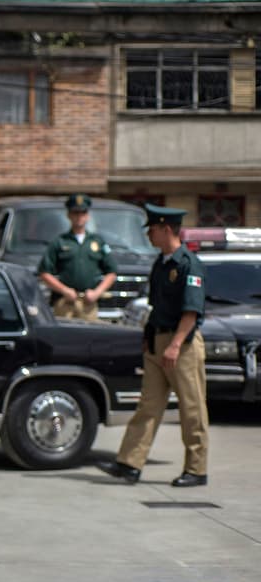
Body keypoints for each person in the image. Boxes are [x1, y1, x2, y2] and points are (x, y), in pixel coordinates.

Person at [97, 204, 209, 488]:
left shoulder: (188, 264)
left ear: (167, 229)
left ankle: (196, 469)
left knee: (191, 407)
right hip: (159, 341)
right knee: (148, 405)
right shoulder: (161, 263)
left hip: (181, 343)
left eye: (153, 229)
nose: (149, 234)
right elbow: (155, 306)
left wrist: (173, 346)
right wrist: (150, 338)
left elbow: (191, 312)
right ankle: (129, 463)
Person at [36, 193, 118, 321]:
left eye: (83, 213)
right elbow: (44, 272)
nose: (79, 217)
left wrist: (97, 292)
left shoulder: (96, 241)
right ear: (69, 215)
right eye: (75, 213)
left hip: (88, 303)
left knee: (90, 337)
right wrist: (64, 290)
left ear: (88, 216)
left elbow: (112, 272)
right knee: (64, 337)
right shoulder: (60, 241)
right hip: (65, 302)